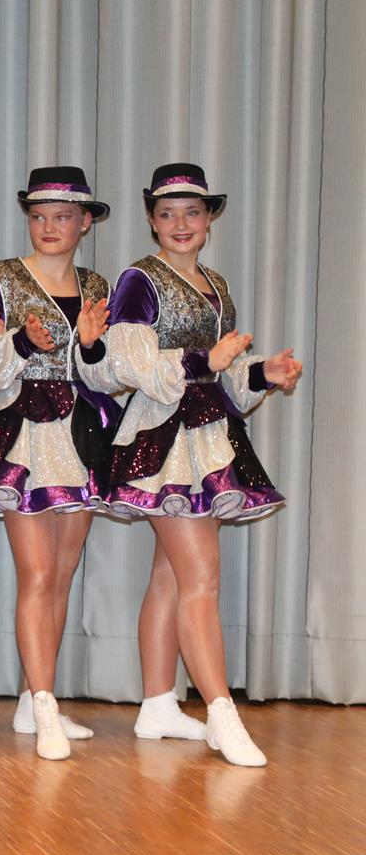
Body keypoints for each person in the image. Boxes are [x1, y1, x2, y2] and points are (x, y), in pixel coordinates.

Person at [103, 164, 302, 767]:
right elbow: (132, 366)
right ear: (152, 220)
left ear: (209, 218)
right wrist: (202, 362)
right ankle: (221, 712)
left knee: (172, 573)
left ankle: (157, 704)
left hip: (208, 436)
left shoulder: (216, 284)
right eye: (167, 213)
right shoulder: (138, 280)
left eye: (192, 212)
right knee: (201, 577)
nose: (180, 223)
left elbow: (226, 377)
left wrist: (261, 374)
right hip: (164, 437)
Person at [0, 166, 121, 760]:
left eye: (63, 216)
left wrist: (92, 345)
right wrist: (24, 343)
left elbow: (109, 374)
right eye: (39, 216)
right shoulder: (0, 278)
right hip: (24, 429)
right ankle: (47, 703)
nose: (50, 227)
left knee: (64, 571)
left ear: (85, 222)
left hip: (82, 432)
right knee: (38, 574)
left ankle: (34, 697)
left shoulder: (98, 284)